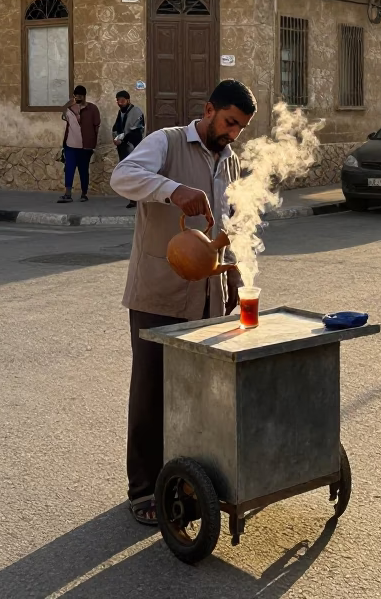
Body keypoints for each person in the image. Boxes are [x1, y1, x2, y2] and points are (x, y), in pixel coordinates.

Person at [110, 79, 257, 526]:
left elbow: (227, 223)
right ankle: (142, 489)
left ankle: (184, 480)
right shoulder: (166, 142)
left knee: (195, 397)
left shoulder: (228, 161)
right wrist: (173, 190)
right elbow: (122, 177)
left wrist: (232, 272)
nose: (234, 134)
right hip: (158, 290)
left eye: (241, 128)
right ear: (209, 110)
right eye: (230, 122)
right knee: (152, 391)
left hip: (206, 295)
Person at [58, 86, 100, 203]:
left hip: (85, 147)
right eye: (76, 95)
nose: (78, 98)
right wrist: (71, 102)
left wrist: (93, 144)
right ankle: (68, 194)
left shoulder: (92, 109)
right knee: (69, 169)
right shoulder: (69, 109)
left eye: (80, 96)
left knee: (83, 170)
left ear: (85, 96)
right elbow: (62, 110)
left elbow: (96, 126)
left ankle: (84, 194)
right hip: (70, 146)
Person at [112, 91, 145, 209]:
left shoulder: (136, 112)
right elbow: (116, 127)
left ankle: (136, 199)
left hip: (133, 148)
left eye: (122, 101)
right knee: (127, 174)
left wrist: (124, 140)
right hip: (123, 148)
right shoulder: (121, 113)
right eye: (118, 101)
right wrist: (115, 138)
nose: (120, 103)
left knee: (135, 173)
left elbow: (136, 131)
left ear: (128, 100)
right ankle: (132, 198)